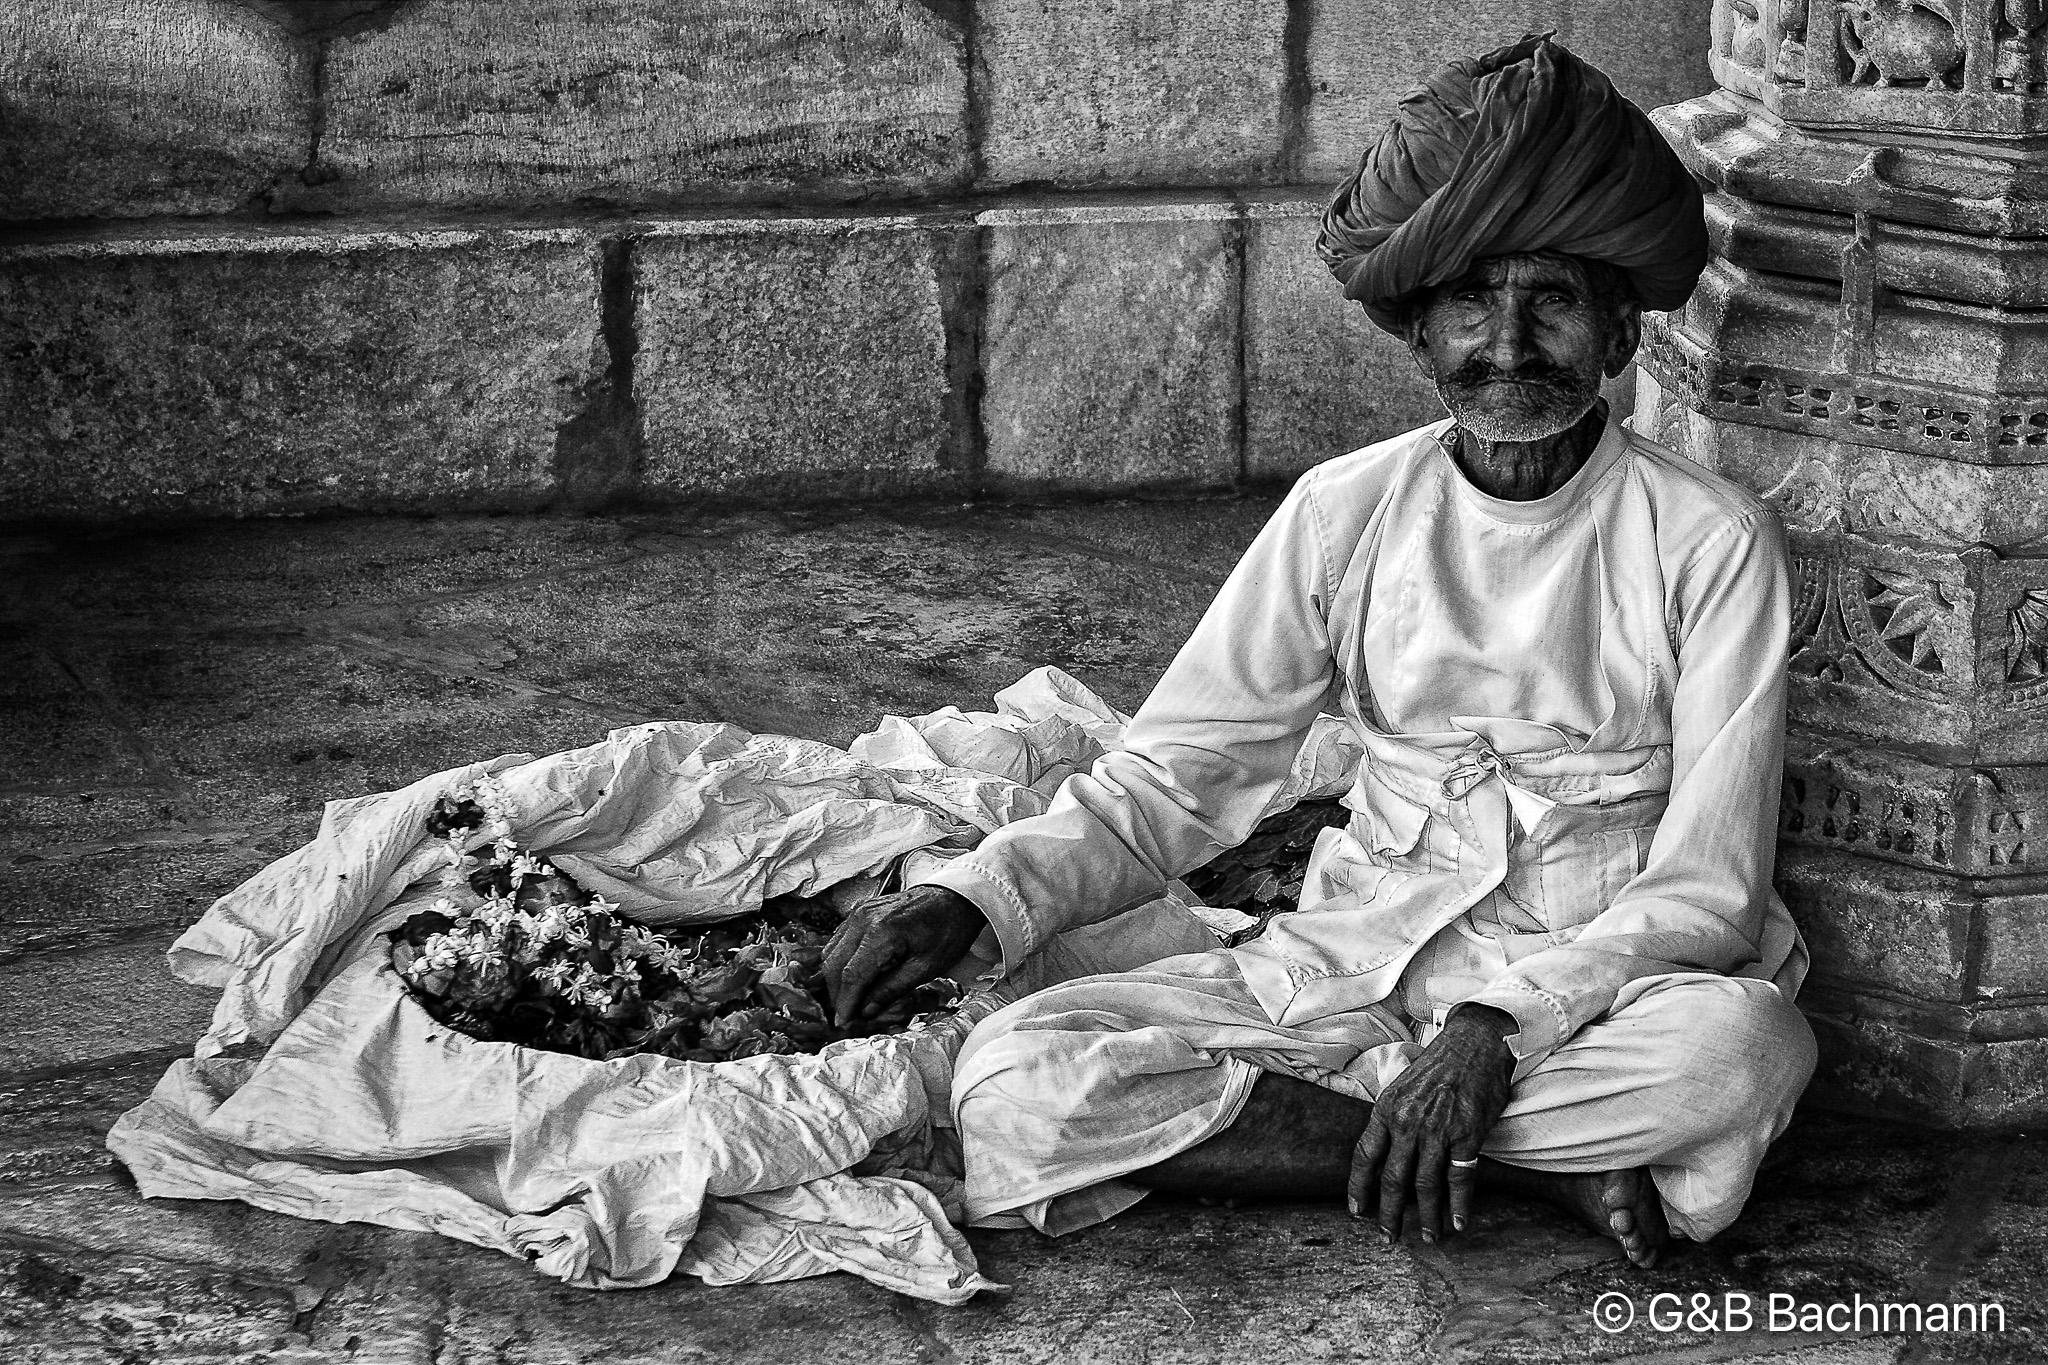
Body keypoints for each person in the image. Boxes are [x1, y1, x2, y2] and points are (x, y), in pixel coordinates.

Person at [821, 34, 1814, 1270]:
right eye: (1471, 302)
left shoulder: (1709, 538)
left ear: (1618, 336)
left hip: (1596, 988)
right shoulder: (1344, 509)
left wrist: (1491, 1031)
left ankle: (1403, 1128)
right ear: (1417, 333)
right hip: (1354, 961)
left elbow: (1708, 890)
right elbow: (1178, 775)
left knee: (1739, 1056)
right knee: (1013, 1074)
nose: (1506, 345)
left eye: (1551, 301)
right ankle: (1521, 1172)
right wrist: (977, 894)